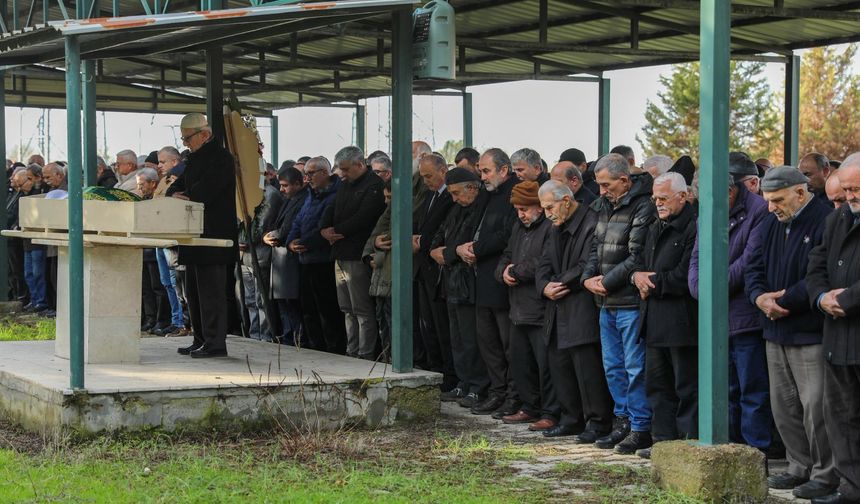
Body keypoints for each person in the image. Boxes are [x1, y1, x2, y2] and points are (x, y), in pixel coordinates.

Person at [745, 166, 837, 499]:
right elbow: (752, 264)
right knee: (784, 406)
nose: (771, 207)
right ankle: (798, 467)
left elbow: (821, 273)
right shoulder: (770, 222)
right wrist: (758, 297)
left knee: (816, 407)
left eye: (778, 200)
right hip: (773, 328)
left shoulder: (825, 220)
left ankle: (825, 473)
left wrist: (783, 300)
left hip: (808, 330)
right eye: (768, 200)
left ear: (800, 192)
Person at [689, 166, 772, 453]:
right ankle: (729, 451)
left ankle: (754, 453)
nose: (706, 209)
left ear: (729, 191)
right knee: (726, 392)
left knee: (752, 391)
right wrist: (700, 289)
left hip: (746, 317)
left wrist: (712, 290)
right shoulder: (708, 212)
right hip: (718, 318)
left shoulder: (759, 210)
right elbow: (697, 258)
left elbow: (749, 262)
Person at [582, 153, 656, 454]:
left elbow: (637, 255)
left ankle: (640, 426)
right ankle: (622, 421)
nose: (600, 191)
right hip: (605, 301)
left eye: (606, 185)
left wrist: (606, 281)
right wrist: (588, 278)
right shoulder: (603, 206)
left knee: (634, 366)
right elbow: (595, 247)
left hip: (628, 301)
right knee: (613, 366)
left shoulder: (643, 205)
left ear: (624, 180)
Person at [536, 179, 614, 440]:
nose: (547, 214)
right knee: (560, 366)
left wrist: (559, 283)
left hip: (580, 305)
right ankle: (570, 418)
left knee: (586, 368)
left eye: (549, 207)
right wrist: (544, 285)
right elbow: (543, 261)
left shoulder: (592, 222)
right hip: (557, 306)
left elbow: (587, 264)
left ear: (566, 201)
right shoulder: (554, 225)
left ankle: (597, 422)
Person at [806, 152, 860, 504]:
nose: (851, 196)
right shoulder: (837, 218)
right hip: (837, 337)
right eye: (848, 189)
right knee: (841, 418)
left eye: (857, 189)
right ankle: (850, 488)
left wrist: (848, 300)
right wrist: (822, 297)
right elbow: (816, 264)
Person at [633, 172, 698, 459]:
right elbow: (640, 264)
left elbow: (687, 275)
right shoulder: (655, 226)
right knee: (657, 386)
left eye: (663, 198)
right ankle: (662, 442)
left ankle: (687, 442)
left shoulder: (694, 227)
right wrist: (636, 277)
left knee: (685, 385)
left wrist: (652, 282)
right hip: (654, 318)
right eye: (655, 198)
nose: (657, 203)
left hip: (681, 321)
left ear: (683, 196)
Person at [166, 113, 238, 358]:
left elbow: (205, 191)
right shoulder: (193, 159)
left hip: (214, 235)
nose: (185, 143)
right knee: (194, 294)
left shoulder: (222, 159)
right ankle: (200, 338)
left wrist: (186, 193)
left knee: (212, 294)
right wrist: (176, 194)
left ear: (204, 135)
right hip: (193, 236)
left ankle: (215, 342)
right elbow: (176, 186)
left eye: (188, 138)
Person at [495, 180, 558, 431]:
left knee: (545, 367)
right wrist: (503, 273)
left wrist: (515, 272)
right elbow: (506, 255)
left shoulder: (549, 228)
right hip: (518, 308)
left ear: (539, 207)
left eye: (525, 209)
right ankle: (529, 407)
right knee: (521, 363)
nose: (521, 214)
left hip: (540, 309)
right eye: (518, 209)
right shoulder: (518, 228)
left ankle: (550, 412)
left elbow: (543, 262)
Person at [430, 167, 490, 408]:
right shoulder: (456, 209)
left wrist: (449, 251)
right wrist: (445, 251)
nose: (454, 198)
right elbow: (438, 241)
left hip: (470, 283)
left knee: (471, 339)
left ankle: (478, 386)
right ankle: (464, 382)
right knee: (457, 338)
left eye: (456, 193)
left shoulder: (482, 207)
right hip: (452, 281)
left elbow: (463, 243)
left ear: (472, 187)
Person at [320, 146, 386, 361]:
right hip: (340, 252)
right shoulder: (345, 185)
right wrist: (324, 228)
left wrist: (337, 231)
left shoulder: (374, 185)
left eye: (346, 170)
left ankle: (365, 353)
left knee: (362, 309)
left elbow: (365, 217)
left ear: (360, 164)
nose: (343, 175)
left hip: (357, 253)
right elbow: (330, 208)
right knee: (347, 307)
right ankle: (352, 349)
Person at [468, 148, 519, 417]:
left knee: (507, 344)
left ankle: (512, 394)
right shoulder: (488, 194)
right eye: (480, 170)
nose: (482, 176)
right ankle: (498, 391)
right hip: (482, 279)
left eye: (486, 170)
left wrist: (476, 248)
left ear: (503, 170)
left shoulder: (514, 194)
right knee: (487, 341)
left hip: (501, 279)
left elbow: (507, 233)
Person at [286, 156, 347, 354]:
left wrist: (304, 242)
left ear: (324, 172)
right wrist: (291, 242)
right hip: (305, 260)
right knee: (308, 308)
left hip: (323, 259)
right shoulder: (310, 195)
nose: (307, 178)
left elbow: (324, 226)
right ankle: (315, 347)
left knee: (327, 309)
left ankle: (333, 349)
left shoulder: (336, 194)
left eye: (311, 174)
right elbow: (299, 221)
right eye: (306, 174)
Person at [414, 153, 456, 391]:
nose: (426, 181)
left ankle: (448, 376)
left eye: (429, 176)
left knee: (442, 328)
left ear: (443, 171)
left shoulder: (450, 196)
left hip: (438, 270)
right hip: (424, 269)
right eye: (422, 177)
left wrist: (424, 241)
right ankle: (435, 368)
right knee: (427, 326)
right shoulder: (429, 195)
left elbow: (440, 229)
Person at [265, 165, 310, 346]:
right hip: (282, 257)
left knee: (292, 305)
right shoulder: (289, 199)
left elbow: (290, 227)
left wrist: (277, 236)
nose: (281, 189)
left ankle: (296, 339)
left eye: (285, 186)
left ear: (298, 184)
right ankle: (288, 336)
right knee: (284, 304)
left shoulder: (303, 199)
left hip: (292, 259)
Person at [239, 171, 284, 343]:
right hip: (247, 254)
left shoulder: (269, 195)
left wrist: (244, 238)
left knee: (261, 300)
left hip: (260, 253)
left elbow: (261, 223)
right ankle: (254, 334)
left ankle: (264, 336)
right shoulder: (247, 193)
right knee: (250, 300)